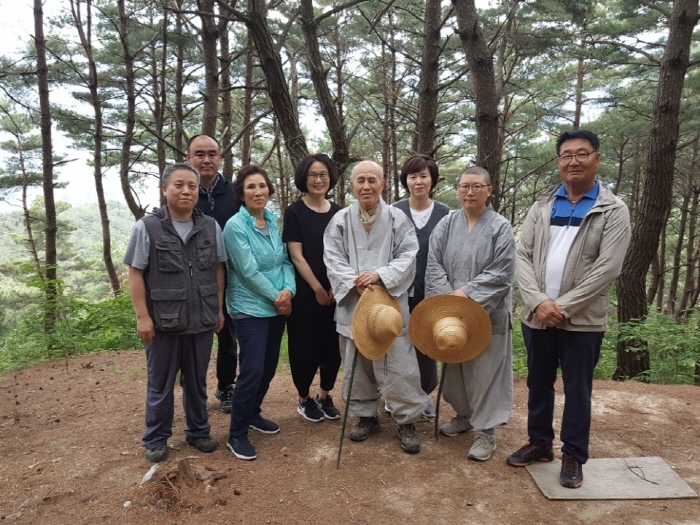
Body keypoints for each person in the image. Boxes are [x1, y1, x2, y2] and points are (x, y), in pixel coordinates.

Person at [508, 129, 631, 488]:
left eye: (582, 153)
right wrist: (537, 302)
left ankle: (574, 454)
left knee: (578, 389)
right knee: (538, 382)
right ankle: (539, 442)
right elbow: (522, 255)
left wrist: (561, 307)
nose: (573, 161)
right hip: (537, 316)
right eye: (566, 155)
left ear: (596, 158)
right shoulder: (543, 206)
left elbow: (608, 268)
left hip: (582, 320)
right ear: (559, 161)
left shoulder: (612, 209)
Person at [324, 160, 429, 454]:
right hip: (354, 303)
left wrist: (380, 275)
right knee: (357, 365)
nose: (366, 186)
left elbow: (408, 255)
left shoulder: (397, 218)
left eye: (372, 180)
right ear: (352, 185)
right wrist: (353, 280)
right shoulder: (340, 220)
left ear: (383, 183)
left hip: (388, 304)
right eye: (360, 180)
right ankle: (365, 416)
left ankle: (406, 419)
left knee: (399, 364)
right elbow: (332, 257)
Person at [124, 163, 226, 462]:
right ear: (165, 189)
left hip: (202, 319)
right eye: (178, 185)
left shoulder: (210, 226)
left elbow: (218, 269)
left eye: (192, 186)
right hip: (163, 322)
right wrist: (142, 317)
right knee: (160, 385)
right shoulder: (148, 227)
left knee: (196, 382)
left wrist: (218, 308)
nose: (186, 191)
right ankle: (156, 439)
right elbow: (135, 272)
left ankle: (198, 431)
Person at [425, 166, 515, 461]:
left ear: (489, 190)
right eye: (465, 186)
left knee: (485, 373)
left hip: (488, 314)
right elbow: (433, 265)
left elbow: (501, 272)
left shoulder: (500, 227)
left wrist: (466, 295)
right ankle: (463, 415)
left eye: (477, 186)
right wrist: (449, 302)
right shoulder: (446, 224)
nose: (470, 192)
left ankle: (486, 432)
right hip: (451, 314)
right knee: (455, 370)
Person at [223, 164, 296, 461]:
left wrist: (289, 290)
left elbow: (285, 262)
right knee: (252, 369)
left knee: (267, 367)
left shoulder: (271, 222)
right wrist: (277, 297)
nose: (258, 191)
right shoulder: (235, 226)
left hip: (276, 305)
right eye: (251, 186)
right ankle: (236, 434)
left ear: (269, 190)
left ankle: (253, 413)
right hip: (249, 307)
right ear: (241, 194)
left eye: (262, 185)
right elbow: (247, 271)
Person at [283, 154, 342, 423]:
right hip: (306, 292)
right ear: (303, 178)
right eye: (312, 175)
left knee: (332, 347)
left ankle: (325, 394)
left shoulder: (339, 212)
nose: (318, 180)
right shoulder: (294, 212)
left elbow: (344, 253)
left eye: (323, 174)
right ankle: (304, 397)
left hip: (336, 290)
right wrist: (318, 288)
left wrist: (336, 286)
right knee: (304, 347)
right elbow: (296, 255)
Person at [391, 154, 450, 419]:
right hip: (399, 291)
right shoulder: (394, 211)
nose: (418, 181)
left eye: (423, 176)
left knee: (426, 345)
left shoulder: (445, 214)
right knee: (398, 345)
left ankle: (424, 394)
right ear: (405, 181)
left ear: (432, 180)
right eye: (412, 176)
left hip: (431, 292)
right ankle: (397, 396)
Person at [186, 134, 241, 413]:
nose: (206, 159)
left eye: (212, 154)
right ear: (188, 158)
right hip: (191, 280)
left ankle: (226, 385)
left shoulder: (234, 193)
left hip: (230, 277)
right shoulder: (183, 192)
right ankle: (191, 389)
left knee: (228, 337)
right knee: (191, 338)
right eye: (199, 154)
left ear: (220, 158)